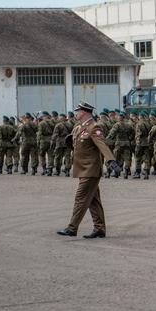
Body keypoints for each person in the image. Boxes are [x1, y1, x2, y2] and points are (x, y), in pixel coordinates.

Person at [57, 101, 122, 239]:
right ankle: (99, 229)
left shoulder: (94, 127)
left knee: (80, 198)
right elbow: (78, 147)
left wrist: (111, 161)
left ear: (82, 112)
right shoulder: (78, 128)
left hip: (90, 169)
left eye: (77, 111)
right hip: (82, 168)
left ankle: (72, 228)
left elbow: (102, 145)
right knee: (93, 200)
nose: (76, 113)